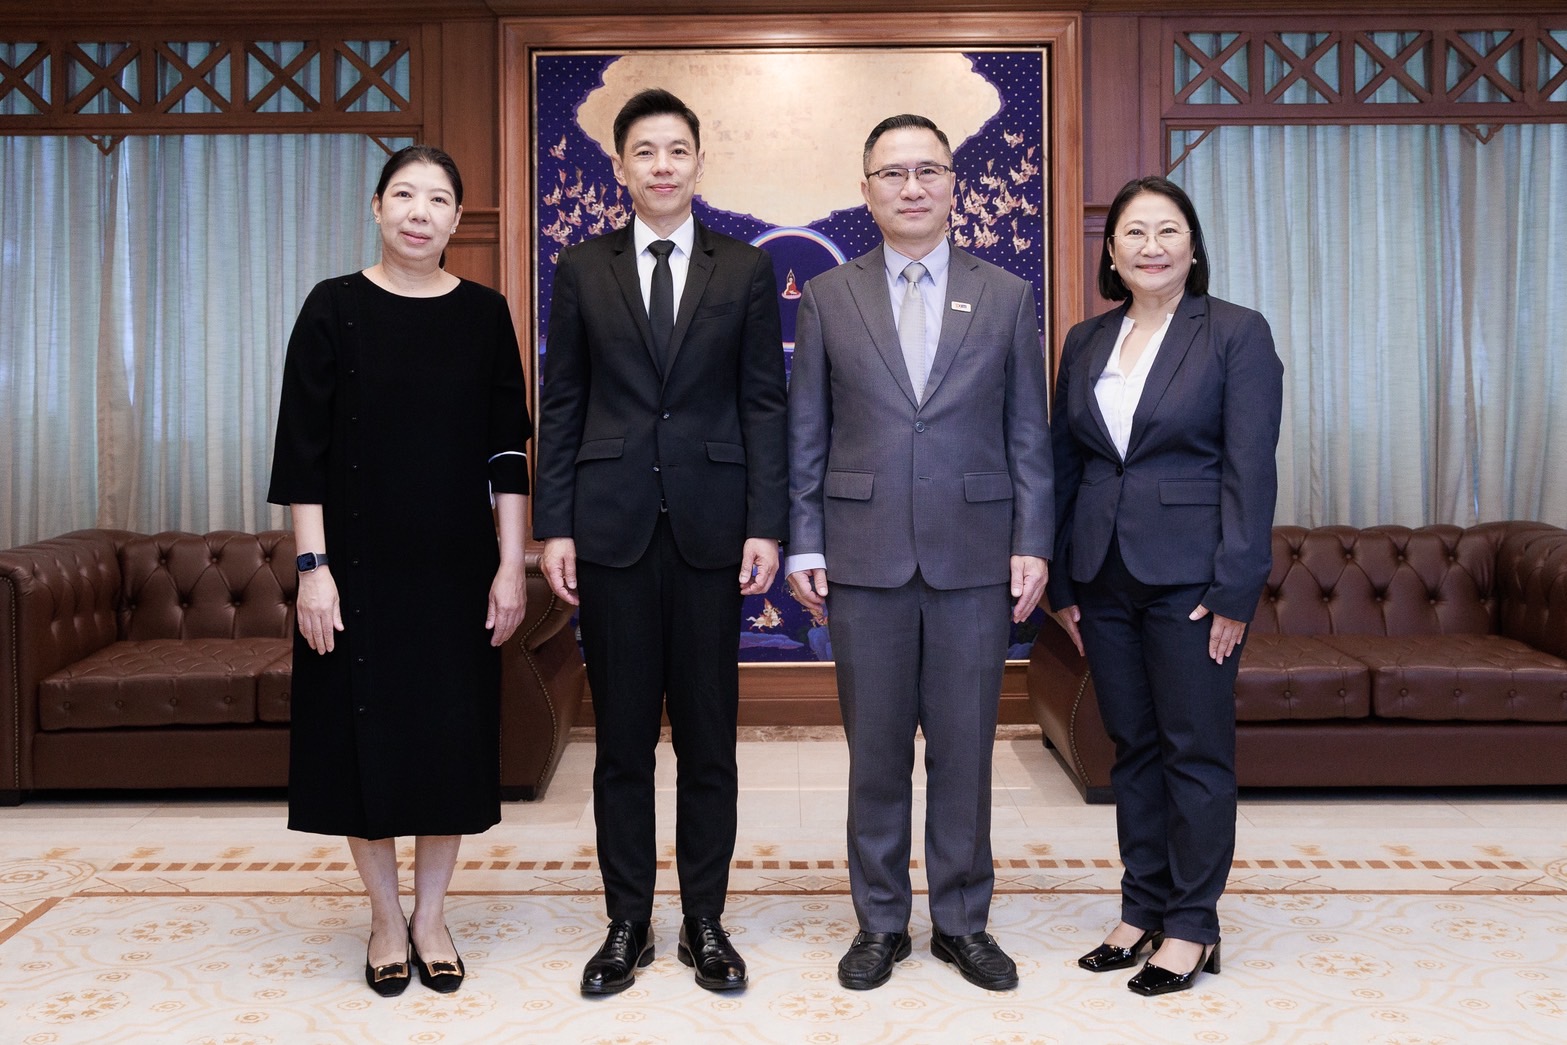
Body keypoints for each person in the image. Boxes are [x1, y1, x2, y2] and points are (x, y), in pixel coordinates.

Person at [785, 114, 1053, 993]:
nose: (911, 187)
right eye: (892, 173)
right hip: (861, 555)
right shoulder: (828, 295)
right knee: (875, 752)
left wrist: (1032, 541)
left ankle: (963, 921)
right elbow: (807, 431)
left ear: (952, 185)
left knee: (965, 749)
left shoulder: (1005, 294)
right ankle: (879, 921)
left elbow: (1027, 432)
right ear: (865, 190)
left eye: (927, 170)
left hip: (974, 556)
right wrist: (804, 539)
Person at [533, 88, 788, 995]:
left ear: (698, 162)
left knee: (709, 739)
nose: (663, 165)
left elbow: (764, 403)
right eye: (644, 151)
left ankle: (705, 920)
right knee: (621, 743)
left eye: (677, 150)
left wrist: (766, 522)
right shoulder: (581, 267)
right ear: (620, 167)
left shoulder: (744, 269)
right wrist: (554, 524)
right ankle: (627, 922)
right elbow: (562, 400)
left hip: (714, 530)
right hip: (611, 529)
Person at [267, 144, 531, 998]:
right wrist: (313, 568)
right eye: (405, 195)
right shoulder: (332, 307)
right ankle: (384, 918)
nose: (420, 212)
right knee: (362, 743)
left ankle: (431, 916)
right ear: (376, 207)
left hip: (455, 569)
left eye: (438, 199)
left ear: (458, 218)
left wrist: (510, 565)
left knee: (448, 742)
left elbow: (506, 454)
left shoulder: (484, 314)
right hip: (353, 570)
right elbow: (301, 455)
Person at [1047, 175, 1283, 996]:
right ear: (1110, 251)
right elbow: (1065, 461)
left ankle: (1191, 923)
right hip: (1101, 574)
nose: (1151, 246)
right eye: (1133, 233)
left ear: (1192, 244)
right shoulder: (1085, 339)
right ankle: (1140, 905)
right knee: (1132, 747)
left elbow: (1251, 470)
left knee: (1194, 749)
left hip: (1192, 580)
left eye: (1167, 230)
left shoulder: (1234, 332)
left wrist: (1235, 589)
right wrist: (1062, 581)